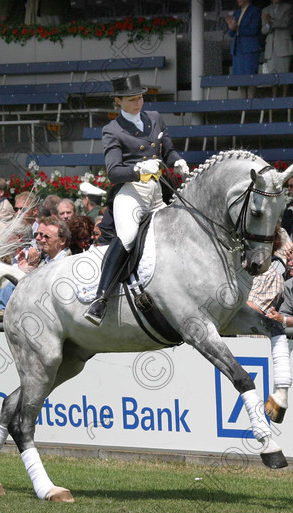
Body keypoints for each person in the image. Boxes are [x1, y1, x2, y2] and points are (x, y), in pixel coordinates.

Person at [84, 75, 189, 325]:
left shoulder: (154, 118)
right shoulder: (112, 130)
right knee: (128, 237)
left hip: (158, 190)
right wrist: (139, 170)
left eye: (140, 97)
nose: (137, 103)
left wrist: (177, 161)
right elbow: (113, 172)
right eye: (131, 99)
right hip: (132, 192)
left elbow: (168, 148)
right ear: (118, 101)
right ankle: (100, 299)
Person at [226, 0, 262, 76]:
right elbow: (231, 33)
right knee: (239, 79)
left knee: (250, 77)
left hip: (249, 49)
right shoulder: (237, 12)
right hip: (237, 50)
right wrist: (231, 27)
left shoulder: (255, 10)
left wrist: (237, 28)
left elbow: (254, 30)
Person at [261, 0, 293, 76]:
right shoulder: (265, 10)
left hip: (283, 46)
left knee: (284, 74)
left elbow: (285, 23)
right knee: (272, 76)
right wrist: (268, 25)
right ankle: (274, 88)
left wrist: (272, 21)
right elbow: (263, 30)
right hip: (270, 48)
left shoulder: (288, 7)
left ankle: (285, 88)